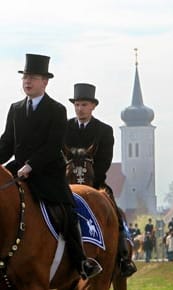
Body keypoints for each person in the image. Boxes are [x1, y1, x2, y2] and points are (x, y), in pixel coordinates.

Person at [0, 54, 101, 279]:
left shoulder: (56, 110)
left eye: (33, 77)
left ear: (45, 82)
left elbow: (52, 146)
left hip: (47, 173)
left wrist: (31, 165)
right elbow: (7, 143)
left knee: (66, 212)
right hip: (17, 169)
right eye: (25, 77)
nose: (27, 81)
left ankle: (81, 261)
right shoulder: (15, 108)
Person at [64, 83, 136, 277]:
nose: (80, 109)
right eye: (77, 105)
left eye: (84, 105)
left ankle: (123, 257)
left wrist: (90, 186)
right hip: (67, 184)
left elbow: (104, 161)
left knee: (116, 213)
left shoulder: (104, 130)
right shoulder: (65, 128)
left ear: (93, 106)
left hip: (95, 183)